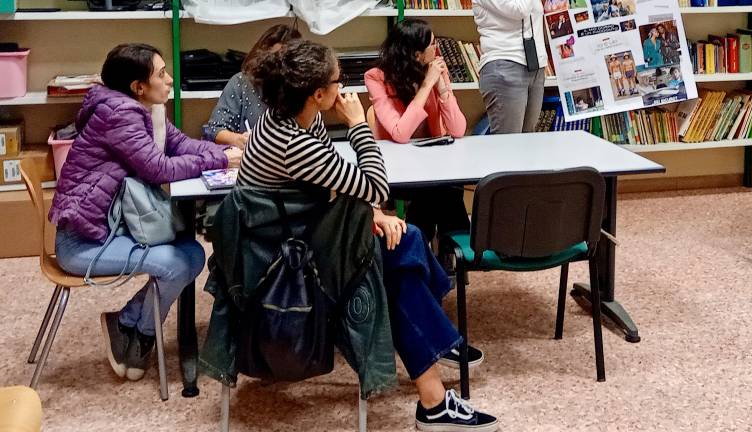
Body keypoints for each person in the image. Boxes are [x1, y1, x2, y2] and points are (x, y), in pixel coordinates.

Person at [238, 39, 499, 432]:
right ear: (318, 93)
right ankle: (435, 377)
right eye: (338, 82)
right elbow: (375, 185)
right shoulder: (296, 143)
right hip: (290, 271)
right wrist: (360, 126)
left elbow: (342, 188)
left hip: (296, 243)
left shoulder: (287, 121)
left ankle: (434, 381)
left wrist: (373, 216)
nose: (344, 91)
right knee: (398, 263)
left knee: (403, 242)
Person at [49, 44, 242, 381]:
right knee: (176, 263)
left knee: (193, 254)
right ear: (138, 86)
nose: (169, 80)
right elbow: (159, 169)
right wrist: (222, 160)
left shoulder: (145, 110)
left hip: (111, 230)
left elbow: (181, 145)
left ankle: (127, 325)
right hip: (82, 243)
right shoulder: (119, 114)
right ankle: (138, 331)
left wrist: (230, 148)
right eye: (161, 74)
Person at [364, 19, 470, 246]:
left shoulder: (435, 70)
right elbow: (400, 133)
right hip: (396, 170)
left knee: (445, 187)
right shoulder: (376, 77)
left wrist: (441, 86)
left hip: (430, 164)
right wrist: (425, 86)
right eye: (432, 44)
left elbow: (458, 129)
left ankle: (427, 248)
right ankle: (453, 251)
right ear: (416, 54)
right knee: (441, 190)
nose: (437, 48)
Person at [203, 24, 301, 148]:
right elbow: (215, 129)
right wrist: (238, 139)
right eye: (274, 60)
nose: (279, 68)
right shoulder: (242, 82)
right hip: (248, 157)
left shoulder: (301, 87)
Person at [474, 0, 547, 133]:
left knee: (529, 144)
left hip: (535, 66)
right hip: (504, 65)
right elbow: (519, 10)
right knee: (508, 145)